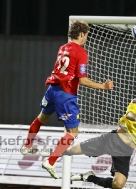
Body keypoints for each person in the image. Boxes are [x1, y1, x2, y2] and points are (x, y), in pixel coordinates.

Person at [20, 20, 114, 179]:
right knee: (73, 133)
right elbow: (82, 80)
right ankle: (50, 161)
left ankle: (27, 145)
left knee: (41, 117)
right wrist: (103, 87)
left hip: (52, 89)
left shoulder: (63, 47)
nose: (86, 39)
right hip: (66, 93)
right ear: (82, 34)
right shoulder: (81, 52)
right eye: (87, 35)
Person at [66, 85, 136, 188]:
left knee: (118, 184)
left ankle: (89, 177)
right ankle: (52, 154)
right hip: (114, 139)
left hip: (126, 150)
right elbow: (129, 114)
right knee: (73, 150)